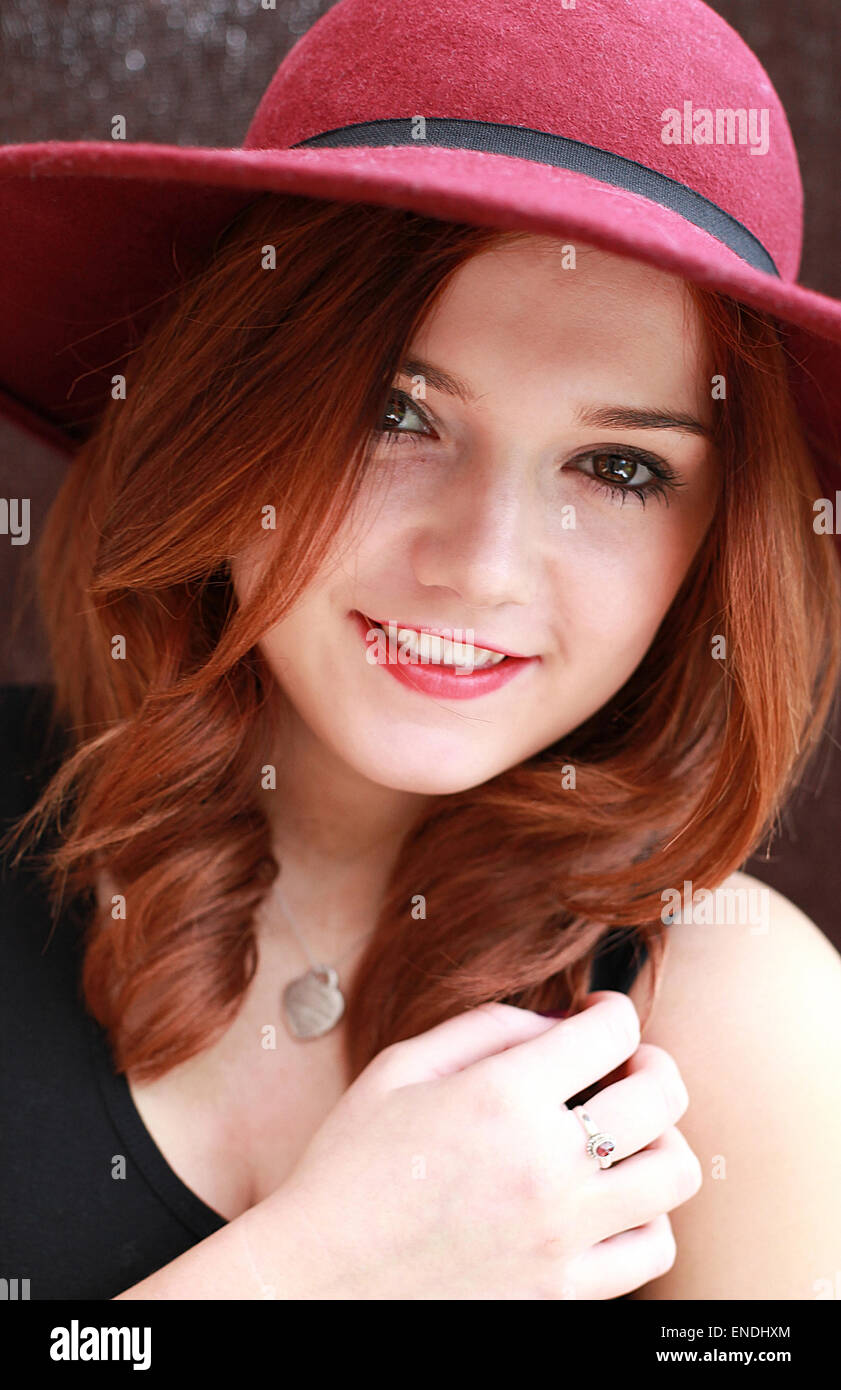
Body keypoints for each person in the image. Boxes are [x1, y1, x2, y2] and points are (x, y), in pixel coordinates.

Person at [2, 0, 841, 1301]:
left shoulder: (742, 1030)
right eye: (398, 413)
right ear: (229, 407)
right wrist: (326, 1269)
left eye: (617, 466)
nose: (482, 560)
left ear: (713, 548)